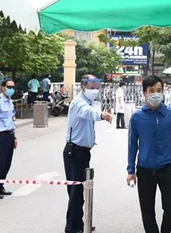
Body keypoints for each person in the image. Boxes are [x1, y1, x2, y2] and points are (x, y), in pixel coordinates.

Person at [127, 75, 171, 233]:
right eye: (152, 90)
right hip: (145, 170)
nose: (156, 94)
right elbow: (132, 144)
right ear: (144, 93)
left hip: (167, 168)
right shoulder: (137, 117)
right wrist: (130, 170)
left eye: (159, 90)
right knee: (147, 211)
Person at [63, 74, 112, 233]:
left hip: (83, 152)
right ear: (83, 87)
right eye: (91, 87)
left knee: (81, 191)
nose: (95, 90)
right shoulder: (79, 102)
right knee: (76, 191)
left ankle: (80, 223)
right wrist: (101, 115)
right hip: (74, 152)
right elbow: (87, 112)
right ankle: (72, 227)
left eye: (97, 87)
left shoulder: (88, 102)